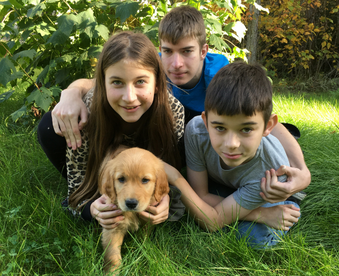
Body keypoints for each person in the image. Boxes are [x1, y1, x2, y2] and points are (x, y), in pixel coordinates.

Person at [39, 5, 310, 212]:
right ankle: (98, 186)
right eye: (168, 51)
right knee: (50, 127)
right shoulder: (152, 66)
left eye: (187, 51)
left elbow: (263, 121)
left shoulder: (219, 77)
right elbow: (105, 80)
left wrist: (303, 173)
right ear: (160, 52)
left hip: (196, 129)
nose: (176, 64)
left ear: (204, 50)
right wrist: (71, 91)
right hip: (179, 129)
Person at [38, 31, 186, 227]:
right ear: (102, 83)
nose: (129, 97)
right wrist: (90, 209)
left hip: (142, 169)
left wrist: (165, 196)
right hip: (99, 160)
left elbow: (165, 173)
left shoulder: (172, 112)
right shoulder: (86, 116)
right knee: (48, 126)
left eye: (140, 81)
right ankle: (102, 187)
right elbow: (76, 192)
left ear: (157, 84)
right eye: (117, 82)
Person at [163, 62, 302, 247]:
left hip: (260, 186)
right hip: (227, 182)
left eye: (246, 129)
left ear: (268, 126)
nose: (231, 144)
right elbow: (200, 194)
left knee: (253, 238)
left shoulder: (271, 171)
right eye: (220, 127)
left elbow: (212, 221)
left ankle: (288, 206)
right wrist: (261, 214)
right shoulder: (196, 131)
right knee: (194, 205)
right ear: (206, 121)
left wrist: (175, 176)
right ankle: (241, 203)